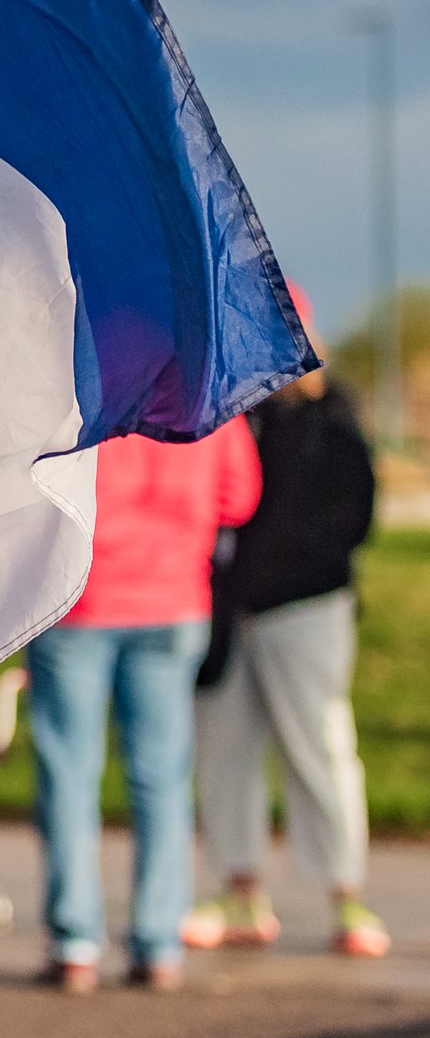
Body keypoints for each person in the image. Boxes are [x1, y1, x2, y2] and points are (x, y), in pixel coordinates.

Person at [185, 283, 388, 959]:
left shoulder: (331, 415)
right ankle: (240, 888)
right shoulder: (226, 415)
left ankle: (345, 895)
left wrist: (274, 570)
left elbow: (351, 518)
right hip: (226, 614)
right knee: (225, 750)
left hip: (305, 607)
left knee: (320, 747)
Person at [28, 415, 259, 993]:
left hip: (81, 599)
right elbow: (240, 498)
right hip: (174, 598)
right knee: (161, 779)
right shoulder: (205, 393)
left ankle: (75, 941)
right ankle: (158, 943)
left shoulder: (86, 387)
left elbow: (37, 482)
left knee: (69, 774)